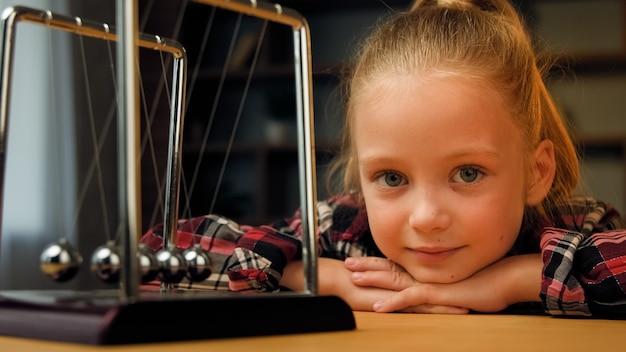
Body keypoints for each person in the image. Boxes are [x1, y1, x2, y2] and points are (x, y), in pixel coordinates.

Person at [141, 0, 626, 318]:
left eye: (468, 173)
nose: (427, 218)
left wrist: (513, 280)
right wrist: (316, 276)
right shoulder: (343, 230)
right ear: (361, 177)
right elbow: (157, 253)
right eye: (391, 176)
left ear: (536, 173)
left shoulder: (575, 225)